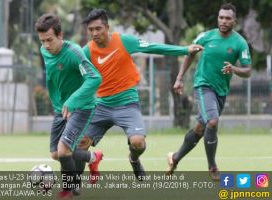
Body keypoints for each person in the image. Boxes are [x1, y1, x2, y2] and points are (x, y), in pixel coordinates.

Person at [78, 8, 203, 181]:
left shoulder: (124, 41)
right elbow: (79, 78)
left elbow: (153, 47)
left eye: (98, 29)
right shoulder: (86, 51)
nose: (94, 33)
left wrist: (184, 50)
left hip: (127, 103)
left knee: (138, 143)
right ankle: (75, 183)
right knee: (80, 143)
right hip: (101, 105)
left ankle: (134, 159)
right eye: (90, 30)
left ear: (107, 27)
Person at [166, 3, 251, 181]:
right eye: (221, 17)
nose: (224, 21)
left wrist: (234, 69)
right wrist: (180, 78)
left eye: (228, 18)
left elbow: (248, 70)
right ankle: (212, 166)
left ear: (234, 21)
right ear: (217, 18)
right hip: (203, 86)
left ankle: (174, 158)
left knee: (200, 128)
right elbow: (190, 54)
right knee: (212, 122)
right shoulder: (206, 36)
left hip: (221, 91)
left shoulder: (240, 43)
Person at [35, 13, 103, 199]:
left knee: (64, 150)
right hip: (61, 109)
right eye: (42, 41)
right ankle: (92, 158)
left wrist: (73, 100)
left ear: (60, 35)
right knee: (56, 154)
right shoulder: (44, 51)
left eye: (50, 40)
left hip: (82, 107)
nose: (47, 45)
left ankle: (68, 190)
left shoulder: (74, 53)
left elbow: (95, 78)